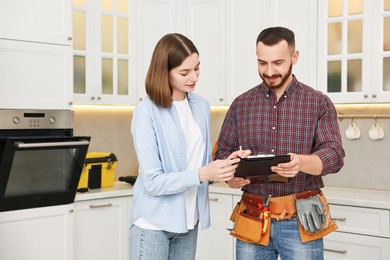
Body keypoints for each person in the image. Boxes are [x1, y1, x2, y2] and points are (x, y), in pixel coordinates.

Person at [215, 26, 345, 260]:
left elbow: (334, 155)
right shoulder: (240, 104)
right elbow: (222, 152)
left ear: (294, 57)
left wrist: (301, 163)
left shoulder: (318, 103)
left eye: (277, 62)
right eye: (262, 63)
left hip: (300, 221)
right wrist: (229, 175)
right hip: (252, 218)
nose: (269, 71)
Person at [129, 33, 247, 260]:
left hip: (189, 221)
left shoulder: (201, 106)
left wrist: (224, 167)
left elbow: (199, 167)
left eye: (197, 68)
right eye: (184, 72)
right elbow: (153, 182)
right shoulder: (146, 112)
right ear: (164, 72)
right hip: (153, 224)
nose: (194, 77)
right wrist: (204, 173)